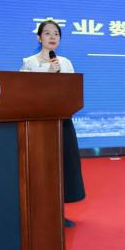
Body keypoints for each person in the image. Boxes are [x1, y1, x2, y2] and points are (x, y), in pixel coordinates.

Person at [20, 20, 86, 226]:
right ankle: (38, 214)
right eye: (47, 33)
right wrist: (47, 75)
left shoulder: (65, 63)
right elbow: (22, 93)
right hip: (39, 124)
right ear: (39, 38)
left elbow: (71, 90)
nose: (52, 37)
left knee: (63, 166)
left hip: (62, 121)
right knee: (42, 168)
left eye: (56, 34)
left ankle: (58, 213)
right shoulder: (29, 63)